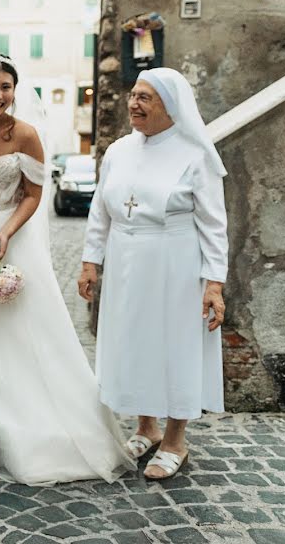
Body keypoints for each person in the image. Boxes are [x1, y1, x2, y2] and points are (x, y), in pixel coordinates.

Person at [0, 54, 135, 485]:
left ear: (15, 91)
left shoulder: (26, 136)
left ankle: (13, 421)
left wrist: (7, 231)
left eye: (5, 87)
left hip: (7, 236)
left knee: (12, 333)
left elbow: (32, 194)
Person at [78, 67, 228, 480]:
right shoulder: (119, 151)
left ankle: (176, 438)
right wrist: (91, 261)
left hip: (176, 264)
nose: (133, 103)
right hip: (126, 260)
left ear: (170, 105)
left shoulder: (195, 155)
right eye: (133, 95)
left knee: (174, 344)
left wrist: (214, 284)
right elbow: (100, 210)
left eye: (145, 97)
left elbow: (214, 224)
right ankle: (147, 426)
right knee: (137, 341)